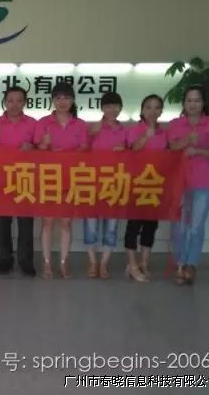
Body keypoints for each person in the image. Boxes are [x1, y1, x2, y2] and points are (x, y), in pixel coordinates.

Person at [168, 85, 209, 286]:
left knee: (196, 227)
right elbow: (172, 147)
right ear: (184, 103)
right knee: (180, 227)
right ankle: (180, 263)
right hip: (180, 182)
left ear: (203, 103)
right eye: (189, 100)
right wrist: (187, 141)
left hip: (203, 182)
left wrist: (199, 151)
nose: (193, 104)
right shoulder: (175, 124)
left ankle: (191, 264)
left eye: (197, 100)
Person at [34, 82, 88, 279]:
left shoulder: (80, 124)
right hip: (48, 178)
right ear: (53, 101)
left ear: (72, 100)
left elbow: (84, 149)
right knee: (47, 222)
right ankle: (47, 263)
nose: (62, 102)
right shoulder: (43, 122)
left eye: (66, 98)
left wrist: (68, 154)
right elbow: (37, 149)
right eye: (58, 98)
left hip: (71, 178)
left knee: (66, 223)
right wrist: (44, 144)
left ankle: (64, 262)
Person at [0, 87, 37, 276]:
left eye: (19, 100)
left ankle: (26, 261)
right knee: (3, 222)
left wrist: (32, 148)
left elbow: (42, 149)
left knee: (26, 222)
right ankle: (4, 260)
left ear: (25, 103)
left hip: (25, 177)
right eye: (10, 100)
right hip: (1, 178)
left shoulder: (33, 123)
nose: (14, 104)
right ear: (5, 102)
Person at [84, 92, 127, 280]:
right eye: (108, 106)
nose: (112, 109)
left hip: (116, 183)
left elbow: (133, 156)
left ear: (121, 108)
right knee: (91, 225)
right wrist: (91, 135)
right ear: (102, 108)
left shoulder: (125, 131)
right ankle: (93, 262)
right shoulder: (93, 128)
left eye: (116, 106)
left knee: (111, 225)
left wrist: (124, 151)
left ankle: (104, 263)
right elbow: (81, 152)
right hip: (93, 183)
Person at [124, 94, 167, 282]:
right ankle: (132, 265)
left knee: (151, 226)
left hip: (155, 185)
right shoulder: (134, 130)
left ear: (161, 111)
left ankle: (144, 263)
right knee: (134, 225)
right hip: (136, 184)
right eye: (148, 107)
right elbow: (133, 150)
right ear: (142, 110)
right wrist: (145, 136)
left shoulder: (164, 133)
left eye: (157, 107)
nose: (152, 111)